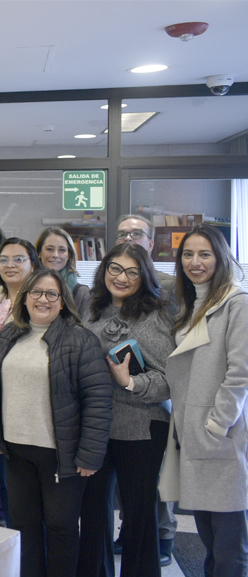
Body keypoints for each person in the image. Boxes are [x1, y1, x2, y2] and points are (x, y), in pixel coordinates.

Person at [0, 269, 113, 577]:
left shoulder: (81, 340)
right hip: (16, 450)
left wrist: (90, 455)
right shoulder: (11, 333)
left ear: (63, 301)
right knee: (24, 526)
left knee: (61, 528)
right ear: (24, 298)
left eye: (51, 293)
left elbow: (98, 400)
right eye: (36, 292)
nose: (43, 299)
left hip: (60, 454)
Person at [78, 243, 174, 577]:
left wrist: (129, 383)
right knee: (92, 512)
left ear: (144, 275)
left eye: (132, 271)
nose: (121, 277)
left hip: (141, 428)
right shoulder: (92, 309)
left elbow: (167, 380)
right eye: (115, 269)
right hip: (95, 428)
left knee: (138, 517)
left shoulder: (157, 315)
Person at [164, 224, 248, 577]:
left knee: (229, 546)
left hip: (219, 433)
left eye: (204, 254)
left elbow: (241, 373)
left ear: (221, 257)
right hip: (192, 432)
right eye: (187, 254)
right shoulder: (192, 302)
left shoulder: (237, 303)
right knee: (208, 539)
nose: (194, 262)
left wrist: (217, 424)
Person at [114, 214, 178, 564]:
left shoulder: (168, 286)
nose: (129, 238)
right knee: (133, 490)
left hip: (153, 399)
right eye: (123, 233)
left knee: (152, 483)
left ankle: (164, 534)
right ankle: (131, 531)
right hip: (116, 406)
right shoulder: (110, 289)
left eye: (136, 233)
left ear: (151, 242)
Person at [0, 237, 40, 528]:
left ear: (32, 263)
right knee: (4, 480)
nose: (10, 265)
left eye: (18, 259)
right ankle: (16, 548)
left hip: (28, 407)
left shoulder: (41, 299)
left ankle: (32, 555)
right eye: (3, 259)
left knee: (27, 486)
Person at [36, 227, 91, 316]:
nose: (55, 255)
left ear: (69, 255)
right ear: (39, 252)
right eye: (50, 249)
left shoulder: (81, 293)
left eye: (62, 250)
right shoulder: (27, 286)